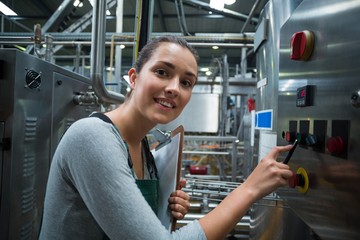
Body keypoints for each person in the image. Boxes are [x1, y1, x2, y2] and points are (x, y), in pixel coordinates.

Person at [39, 35, 293, 240]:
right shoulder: (92, 137)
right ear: (134, 78)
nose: (174, 88)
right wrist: (250, 189)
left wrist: (164, 209)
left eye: (186, 82)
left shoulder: (144, 148)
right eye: (162, 72)